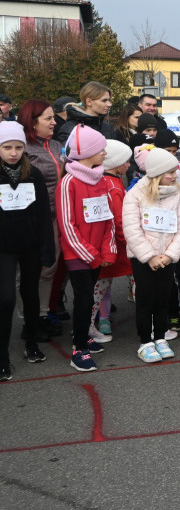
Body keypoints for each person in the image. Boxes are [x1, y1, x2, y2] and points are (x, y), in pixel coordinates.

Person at [56, 125, 115, 372]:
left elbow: (106, 217)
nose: (104, 152)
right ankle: (79, 348)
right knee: (84, 297)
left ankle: (82, 335)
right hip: (78, 253)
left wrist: (107, 250)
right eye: (100, 149)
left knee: (89, 296)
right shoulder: (68, 182)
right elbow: (67, 225)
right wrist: (91, 254)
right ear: (88, 152)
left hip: (97, 254)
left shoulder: (100, 179)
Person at [123, 148, 180, 363]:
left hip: (167, 256)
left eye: (175, 171)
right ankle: (145, 341)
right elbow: (132, 229)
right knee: (145, 297)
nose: (174, 175)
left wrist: (170, 255)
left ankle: (160, 337)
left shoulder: (177, 194)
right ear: (156, 173)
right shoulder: (135, 195)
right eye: (169, 172)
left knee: (163, 297)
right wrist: (149, 256)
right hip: (143, 257)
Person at [0, 121, 54, 379]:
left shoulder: (33, 174)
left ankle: (31, 343)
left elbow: (44, 214)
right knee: (6, 299)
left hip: (30, 244)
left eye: (18, 147)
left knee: (31, 295)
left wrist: (47, 250)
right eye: (7, 147)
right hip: (3, 248)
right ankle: (2, 356)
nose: (13, 152)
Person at [18, 99, 65, 329]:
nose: (54, 122)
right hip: (30, 219)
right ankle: (29, 318)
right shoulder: (22, 148)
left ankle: (43, 313)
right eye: (48, 118)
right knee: (28, 270)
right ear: (32, 122)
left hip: (55, 217)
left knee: (50, 267)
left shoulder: (56, 146)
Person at [92, 141, 132, 342]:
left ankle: (101, 319)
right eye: (126, 161)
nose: (129, 165)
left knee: (101, 284)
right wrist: (130, 240)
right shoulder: (115, 186)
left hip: (103, 242)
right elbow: (119, 219)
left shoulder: (100, 181)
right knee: (133, 279)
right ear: (117, 164)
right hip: (119, 244)